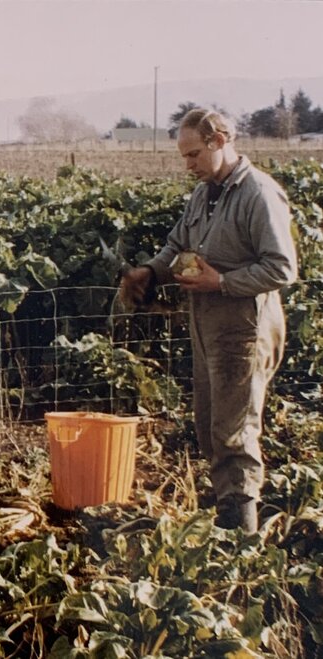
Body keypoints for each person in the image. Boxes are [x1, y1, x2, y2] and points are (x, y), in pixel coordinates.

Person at [120, 108, 298, 533]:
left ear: (220, 141)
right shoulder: (206, 193)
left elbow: (282, 268)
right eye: (184, 157)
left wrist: (223, 281)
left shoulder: (259, 193)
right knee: (209, 426)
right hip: (208, 328)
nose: (188, 165)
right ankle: (226, 521)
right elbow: (177, 246)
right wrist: (150, 271)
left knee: (234, 433)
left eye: (194, 154)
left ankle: (242, 541)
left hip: (244, 328)